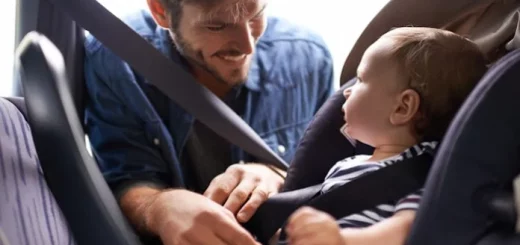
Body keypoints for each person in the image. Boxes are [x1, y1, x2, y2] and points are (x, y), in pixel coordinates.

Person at [83, 0, 334, 244]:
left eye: (256, 15)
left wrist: (276, 173)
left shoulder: (308, 57)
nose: (247, 45)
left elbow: (337, 172)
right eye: (217, 26)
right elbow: (124, 177)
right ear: (161, 11)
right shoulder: (117, 59)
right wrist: (159, 207)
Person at [282, 27, 487, 245]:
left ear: (402, 108)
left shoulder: (424, 173)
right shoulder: (347, 165)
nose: (346, 91)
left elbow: (405, 229)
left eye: (360, 80)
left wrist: (343, 240)